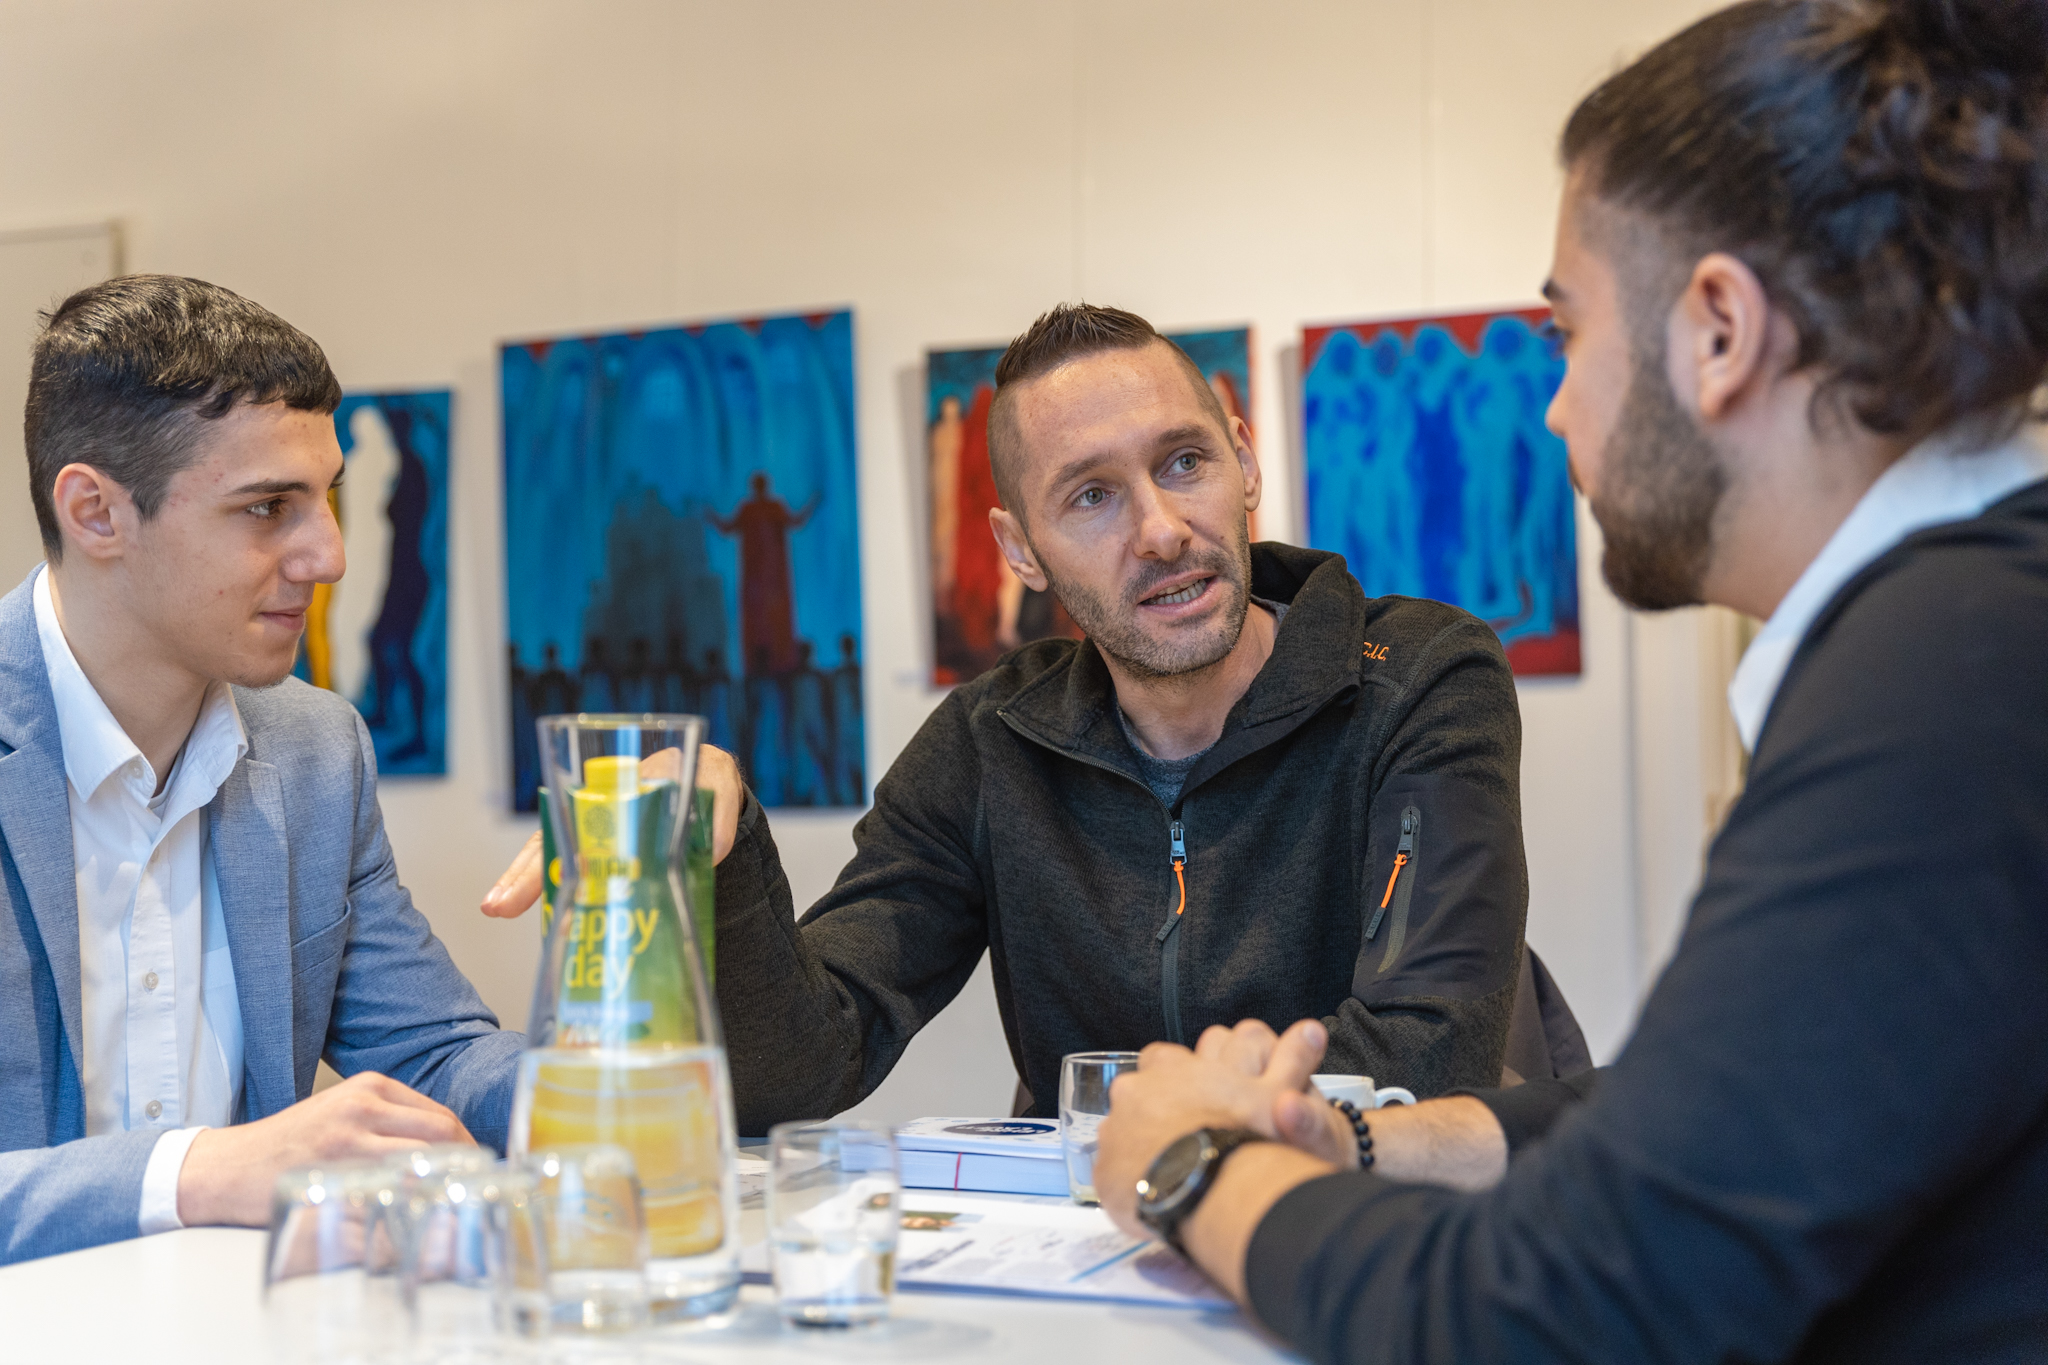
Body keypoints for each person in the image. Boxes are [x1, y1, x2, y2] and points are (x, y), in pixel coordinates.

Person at [1089, 2, 2048, 1360]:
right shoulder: (1973, 631)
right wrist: (1353, 1138)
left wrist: (1192, 1172)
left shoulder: (1943, 681)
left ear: (1719, 330)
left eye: (1568, 334)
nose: (1555, 409)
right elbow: (1710, 1117)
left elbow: (1556, 1311)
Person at [486, 302, 1546, 1132]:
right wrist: (718, 854)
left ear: (1244, 460)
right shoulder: (990, 741)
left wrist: (1153, 1149)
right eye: (1091, 496)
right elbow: (801, 1068)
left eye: (1184, 463)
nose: (1161, 530)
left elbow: (1424, 1053)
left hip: (1400, 1232)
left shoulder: (1417, 674)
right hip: (1101, 1262)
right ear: (1019, 549)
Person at [0, 276, 520, 1264]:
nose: (328, 556)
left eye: (328, 499)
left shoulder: (318, 750)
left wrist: (626, 1082)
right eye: (269, 507)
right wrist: (198, 1171)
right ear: (96, 513)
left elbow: (434, 1057)